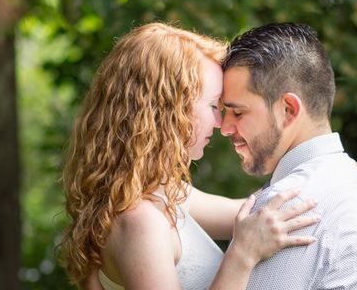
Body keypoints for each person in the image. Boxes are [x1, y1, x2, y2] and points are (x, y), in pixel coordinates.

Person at [60, 22, 321, 290]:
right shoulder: (141, 223)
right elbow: (250, 230)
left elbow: (254, 212)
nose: (220, 123)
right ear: (167, 110)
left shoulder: (165, 193)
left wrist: (325, 172)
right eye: (212, 105)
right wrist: (241, 256)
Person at [221, 22, 357, 289]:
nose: (224, 127)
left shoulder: (286, 208)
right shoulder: (350, 184)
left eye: (238, 112)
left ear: (289, 110)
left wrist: (239, 257)